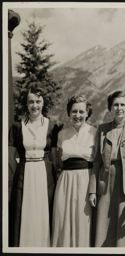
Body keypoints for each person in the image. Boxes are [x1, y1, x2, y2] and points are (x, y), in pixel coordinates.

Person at [88, 90, 125, 247]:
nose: (119, 108)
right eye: (115, 105)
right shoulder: (102, 129)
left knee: (124, 229)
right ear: (110, 108)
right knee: (103, 225)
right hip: (105, 184)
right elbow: (96, 162)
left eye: (123, 104)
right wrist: (93, 190)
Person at [8, 87, 59, 247]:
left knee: (44, 210)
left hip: (45, 174)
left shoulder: (52, 126)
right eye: (31, 102)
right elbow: (10, 155)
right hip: (25, 172)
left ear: (43, 103)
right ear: (26, 104)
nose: (35, 105)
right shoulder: (17, 126)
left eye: (38, 101)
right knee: (23, 210)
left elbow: (55, 155)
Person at [51, 95, 97, 247]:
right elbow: (57, 162)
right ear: (69, 113)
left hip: (85, 179)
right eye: (74, 111)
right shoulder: (62, 134)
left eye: (81, 112)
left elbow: (97, 163)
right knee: (63, 218)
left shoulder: (95, 133)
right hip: (65, 181)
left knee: (82, 220)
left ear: (87, 113)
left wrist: (93, 189)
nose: (78, 115)